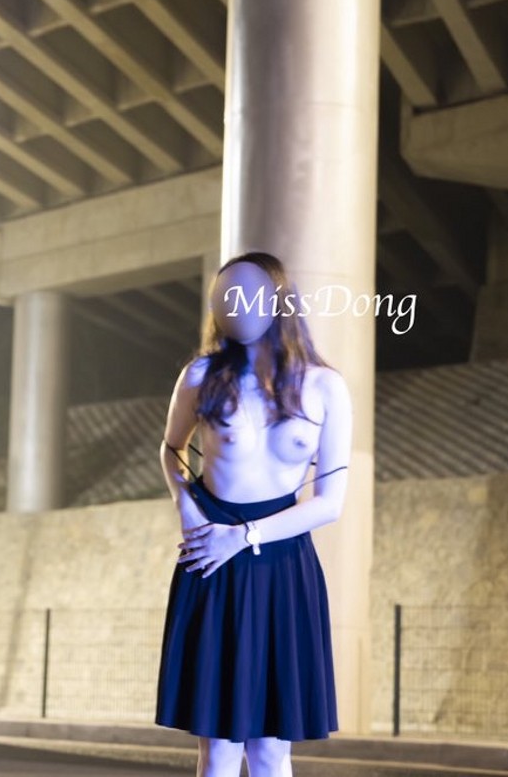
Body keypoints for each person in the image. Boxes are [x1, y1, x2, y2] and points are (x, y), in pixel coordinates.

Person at [154, 252, 352, 777]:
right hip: (211, 561)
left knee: (270, 749)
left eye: (248, 292)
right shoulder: (200, 375)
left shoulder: (325, 386)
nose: (235, 304)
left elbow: (330, 503)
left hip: (282, 564)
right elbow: (172, 449)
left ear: (279, 299)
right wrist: (188, 510)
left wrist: (242, 536)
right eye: (224, 295)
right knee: (218, 747)